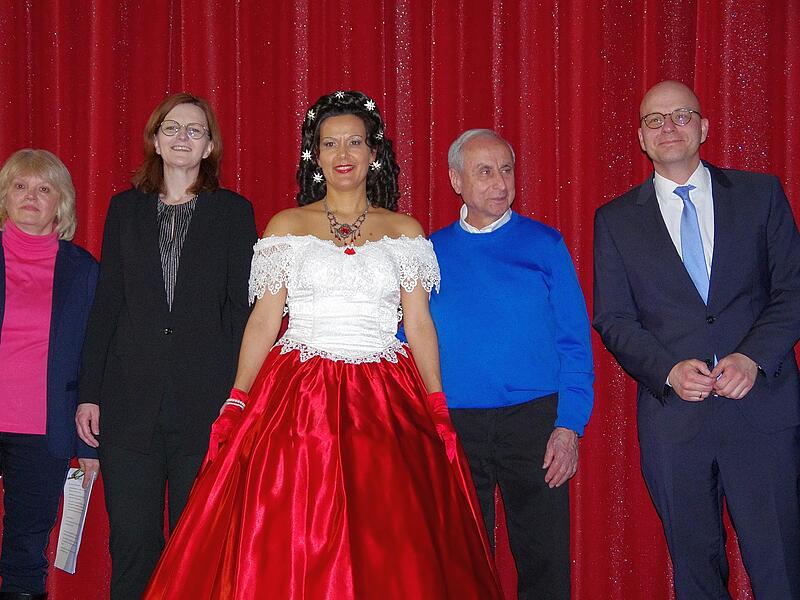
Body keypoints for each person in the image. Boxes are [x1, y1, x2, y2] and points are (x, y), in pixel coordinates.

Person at [142, 91, 503, 599]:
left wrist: (437, 402)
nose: (343, 153)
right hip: (297, 393)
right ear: (316, 155)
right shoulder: (286, 226)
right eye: (330, 143)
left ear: (373, 152)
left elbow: (419, 323)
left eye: (354, 141)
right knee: (290, 527)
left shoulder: (405, 232)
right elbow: (264, 319)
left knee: (387, 533)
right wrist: (238, 397)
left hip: (384, 398)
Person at [593, 80, 800, 598]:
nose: (669, 127)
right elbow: (613, 318)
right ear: (641, 138)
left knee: (780, 566)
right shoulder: (614, 220)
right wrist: (666, 370)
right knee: (696, 573)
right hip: (675, 421)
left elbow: (792, 290)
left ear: (704, 128)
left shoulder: (761, 193)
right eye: (655, 119)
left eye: (681, 115)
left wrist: (753, 358)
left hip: (764, 411)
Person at [75, 92, 257, 600]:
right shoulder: (123, 210)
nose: (182, 138)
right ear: (156, 140)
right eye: (172, 128)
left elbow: (244, 313)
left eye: (194, 130)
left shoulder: (233, 213)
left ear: (210, 145)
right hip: (128, 404)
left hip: (205, 404)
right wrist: (89, 393)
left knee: (195, 541)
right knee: (132, 541)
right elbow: (107, 305)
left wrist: (241, 394)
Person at [425, 129, 594, 600]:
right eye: (485, 171)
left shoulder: (546, 244)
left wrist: (569, 426)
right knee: (464, 563)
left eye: (506, 169)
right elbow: (406, 343)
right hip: (455, 425)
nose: (500, 182)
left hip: (536, 421)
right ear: (456, 180)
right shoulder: (428, 254)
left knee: (544, 560)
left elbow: (575, 341)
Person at [0, 149, 99, 600]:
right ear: (6, 196)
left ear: (61, 203)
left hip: (44, 431)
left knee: (24, 552)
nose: (31, 197)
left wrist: (85, 443)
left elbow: (92, 360)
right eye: (20, 186)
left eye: (44, 189)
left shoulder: (84, 271)